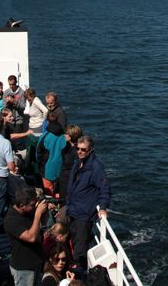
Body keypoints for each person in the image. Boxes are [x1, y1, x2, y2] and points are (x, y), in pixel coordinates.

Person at [65, 135, 110, 273]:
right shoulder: (78, 162)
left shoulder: (95, 167)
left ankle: (80, 275)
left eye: (83, 150)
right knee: (74, 242)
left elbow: (105, 189)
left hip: (83, 215)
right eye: (78, 149)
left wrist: (102, 207)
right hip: (73, 209)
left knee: (80, 251)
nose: (79, 152)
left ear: (90, 150)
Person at [3, 186, 49, 286]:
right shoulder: (11, 220)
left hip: (36, 261)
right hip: (24, 267)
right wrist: (37, 215)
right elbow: (31, 237)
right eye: (32, 205)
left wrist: (44, 212)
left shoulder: (28, 210)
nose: (35, 207)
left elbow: (43, 223)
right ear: (22, 205)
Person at [36, 117, 67, 196]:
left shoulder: (45, 136)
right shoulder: (65, 137)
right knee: (59, 191)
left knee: (49, 191)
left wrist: (40, 166)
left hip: (47, 169)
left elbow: (38, 153)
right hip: (61, 169)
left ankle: (51, 205)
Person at [57, 125, 83, 199]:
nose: (64, 135)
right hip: (64, 180)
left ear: (72, 136)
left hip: (69, 182)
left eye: (67, 133)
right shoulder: (68, 147)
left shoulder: (76, 151)